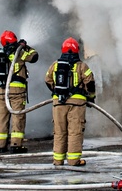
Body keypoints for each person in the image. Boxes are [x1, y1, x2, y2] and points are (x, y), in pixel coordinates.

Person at [44, 37, 96, 166]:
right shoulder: (82, 66)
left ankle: (58, 160)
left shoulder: (55, 65)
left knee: (59, 131)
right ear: (77, 50)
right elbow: (90, 83)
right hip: (76, 104)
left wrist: (56, 92)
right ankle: (73, 161)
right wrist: (91, 97)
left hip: (58, 103)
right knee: (74, 131)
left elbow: (47, 80)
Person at [0, 30, 38, 153]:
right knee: (18, 117)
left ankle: (1, 145)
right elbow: (34, 57)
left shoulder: (0, 54)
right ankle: (15, 145)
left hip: (1, 90)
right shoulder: (18, 53)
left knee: (2, 118)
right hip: (16, 90)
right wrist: (26, 46)